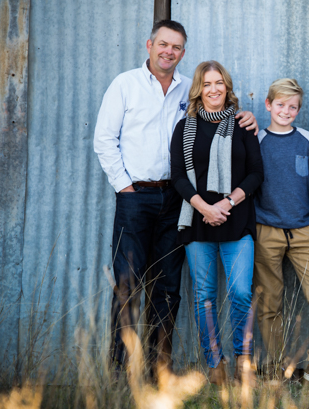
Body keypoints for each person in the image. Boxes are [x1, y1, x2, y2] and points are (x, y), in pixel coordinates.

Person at [93, 21, 257, 376]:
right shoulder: (126, 84)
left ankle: (158, 370)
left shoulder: (190, 89)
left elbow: (219, 119)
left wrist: (246, 115)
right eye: (163, 44)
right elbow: (104, 139)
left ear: (183, 53)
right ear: (149, 45)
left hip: (177, 202)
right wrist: (125, 187)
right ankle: (119, 371)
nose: (169, 52)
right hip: (136, 197)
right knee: (128, 283)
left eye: (177, 47)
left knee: (168, 286)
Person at [170, 60, 263, 386]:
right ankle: (215, 365)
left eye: (219, 83)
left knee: (240, 292)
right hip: (197, 223)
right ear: (199, 88)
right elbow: (179, 178)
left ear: (227, 86)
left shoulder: (243, 124)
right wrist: (204, 208)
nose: (214, 89)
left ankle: (243, 362)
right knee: (204, 297)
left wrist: (226, 202)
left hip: (237, 220)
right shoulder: (184, 127)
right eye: (207, 84)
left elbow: (256, 173)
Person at [252, 78, 309, 389]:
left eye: (293, 107)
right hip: (267, 231)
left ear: (299, 110)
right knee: (270, 301)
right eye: (280, 105)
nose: (286, 111)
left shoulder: (307, 139)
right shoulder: (257, 139)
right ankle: (276, 367)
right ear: (268, 105)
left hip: (304, 231)